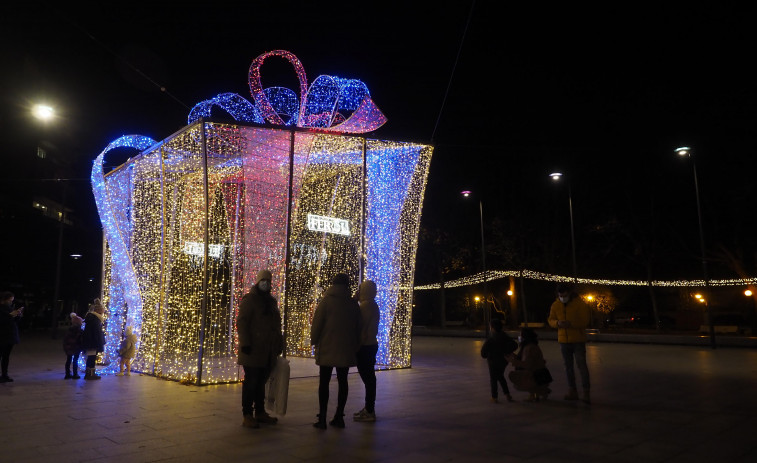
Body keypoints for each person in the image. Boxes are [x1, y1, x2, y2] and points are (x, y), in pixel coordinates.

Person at [310, 273, 361, 429]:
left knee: (324, 383)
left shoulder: (326, 302)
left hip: (327, 348)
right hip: (345, 349)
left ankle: (323, 417)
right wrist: (354, 345)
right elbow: (359, 328)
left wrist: (314, 340)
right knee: (343, 381)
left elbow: (317, 324)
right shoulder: (353, 304)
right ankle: (339, 416)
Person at [237, 269, 283, 429]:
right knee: (251, 382)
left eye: (268, 281)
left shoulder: (271, 302)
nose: (266, 283)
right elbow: (242, 322)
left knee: (260, 382)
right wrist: (245, 343)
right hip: (252, 349)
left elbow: (276, 325)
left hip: (267, 350)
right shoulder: (250, 300)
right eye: (263, 280)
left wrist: (279, 343)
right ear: (258, 282)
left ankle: (260, 411)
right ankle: (247, 414)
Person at [547, 283, 591, 403]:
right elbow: (550, 319)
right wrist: (557, 323)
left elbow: (585, 320)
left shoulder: (580, 304)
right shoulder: (556, 305)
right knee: (568, 367)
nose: (562, 297)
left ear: (570, 293)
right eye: (560, 295)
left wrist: (571, 324)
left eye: (564, 295)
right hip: (563, 340)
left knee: (581, 366)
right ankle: (572, 390)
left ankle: (586, 392)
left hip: (578, 340)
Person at [353, 279, 380, 422]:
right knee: (369, 378)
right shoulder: (372, 305)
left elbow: (359, 327)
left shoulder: (365, 306)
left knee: (368, 378)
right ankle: (369, 408)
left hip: (365, 346)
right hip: (370, 344)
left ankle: (369, 410)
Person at [507, 327, 552, 401]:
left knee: (514, 375)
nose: (519, 338)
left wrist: (512, 361)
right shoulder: (532, 346)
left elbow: (527, 364)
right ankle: (538, 392)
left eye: (521, 336)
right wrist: (513, 356)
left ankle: (536, 391)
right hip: (542, 374)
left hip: (537, 375)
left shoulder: (529, 348)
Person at [480, 318, 517, 403]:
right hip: (503, 361)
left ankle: (494, 397)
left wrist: (487, 354)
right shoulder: (505, 336)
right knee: (500, 376)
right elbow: (514, 345)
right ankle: (507, 394)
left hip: (492, 361)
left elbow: (483, 353)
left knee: (493, 378)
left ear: (492, 327)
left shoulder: (491, 338)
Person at [0, 291, 23, 383]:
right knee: (1, 355)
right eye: (10, 300)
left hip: (10, 336)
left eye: (12, 300)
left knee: (6, 356)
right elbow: (4, 320)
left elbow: (13, 321)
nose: (11, 302)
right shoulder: (1, 308)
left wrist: (18, 315)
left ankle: (4, 375)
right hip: (2, 336)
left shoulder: (9, 308)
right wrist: (11, 315)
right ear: (4, 300)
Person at [82, 298, 106, 381]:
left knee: (91, 357)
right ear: (98, 310)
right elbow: (96, 333)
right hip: (93, 343)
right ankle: (90, 374)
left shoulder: (92, 318)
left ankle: (89, 373)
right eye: (103, 309)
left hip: (90, 342)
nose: (103, 311)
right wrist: (99, 343)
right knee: (92, 358)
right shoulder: (95, 320)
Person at [63, 312, 84, 379]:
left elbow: (66, 338)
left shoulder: (70, 329)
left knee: (68, 360)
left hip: (69, 346)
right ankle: (75, 374)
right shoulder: (79, 330)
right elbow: (80, 339)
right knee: (75, 360)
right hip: (76, 347)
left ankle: (67, 374)